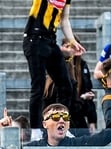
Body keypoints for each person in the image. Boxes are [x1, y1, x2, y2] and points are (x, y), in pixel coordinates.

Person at [22, 0, 84, 132]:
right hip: (34, 39)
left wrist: (72, 41)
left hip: (50, 41)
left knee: (66, 86)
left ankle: (59, 124)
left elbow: (64, 19)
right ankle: (36, 131)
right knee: (38, 86)